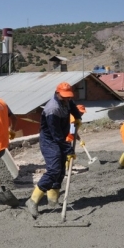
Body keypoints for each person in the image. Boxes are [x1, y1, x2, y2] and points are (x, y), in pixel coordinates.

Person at [25, 82, 82, 217]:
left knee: (60, 170)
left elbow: (73, 107)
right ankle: (32, 201)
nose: (67, 99)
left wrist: (78, 117)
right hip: (50, 140)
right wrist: (68, 149)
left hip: (59, 138)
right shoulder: (52, 109)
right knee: (54, 170)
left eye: (69, 96)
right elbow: (56, 135)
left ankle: (53, 201)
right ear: (57, 93)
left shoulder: (66, 100)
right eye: (65, 96)